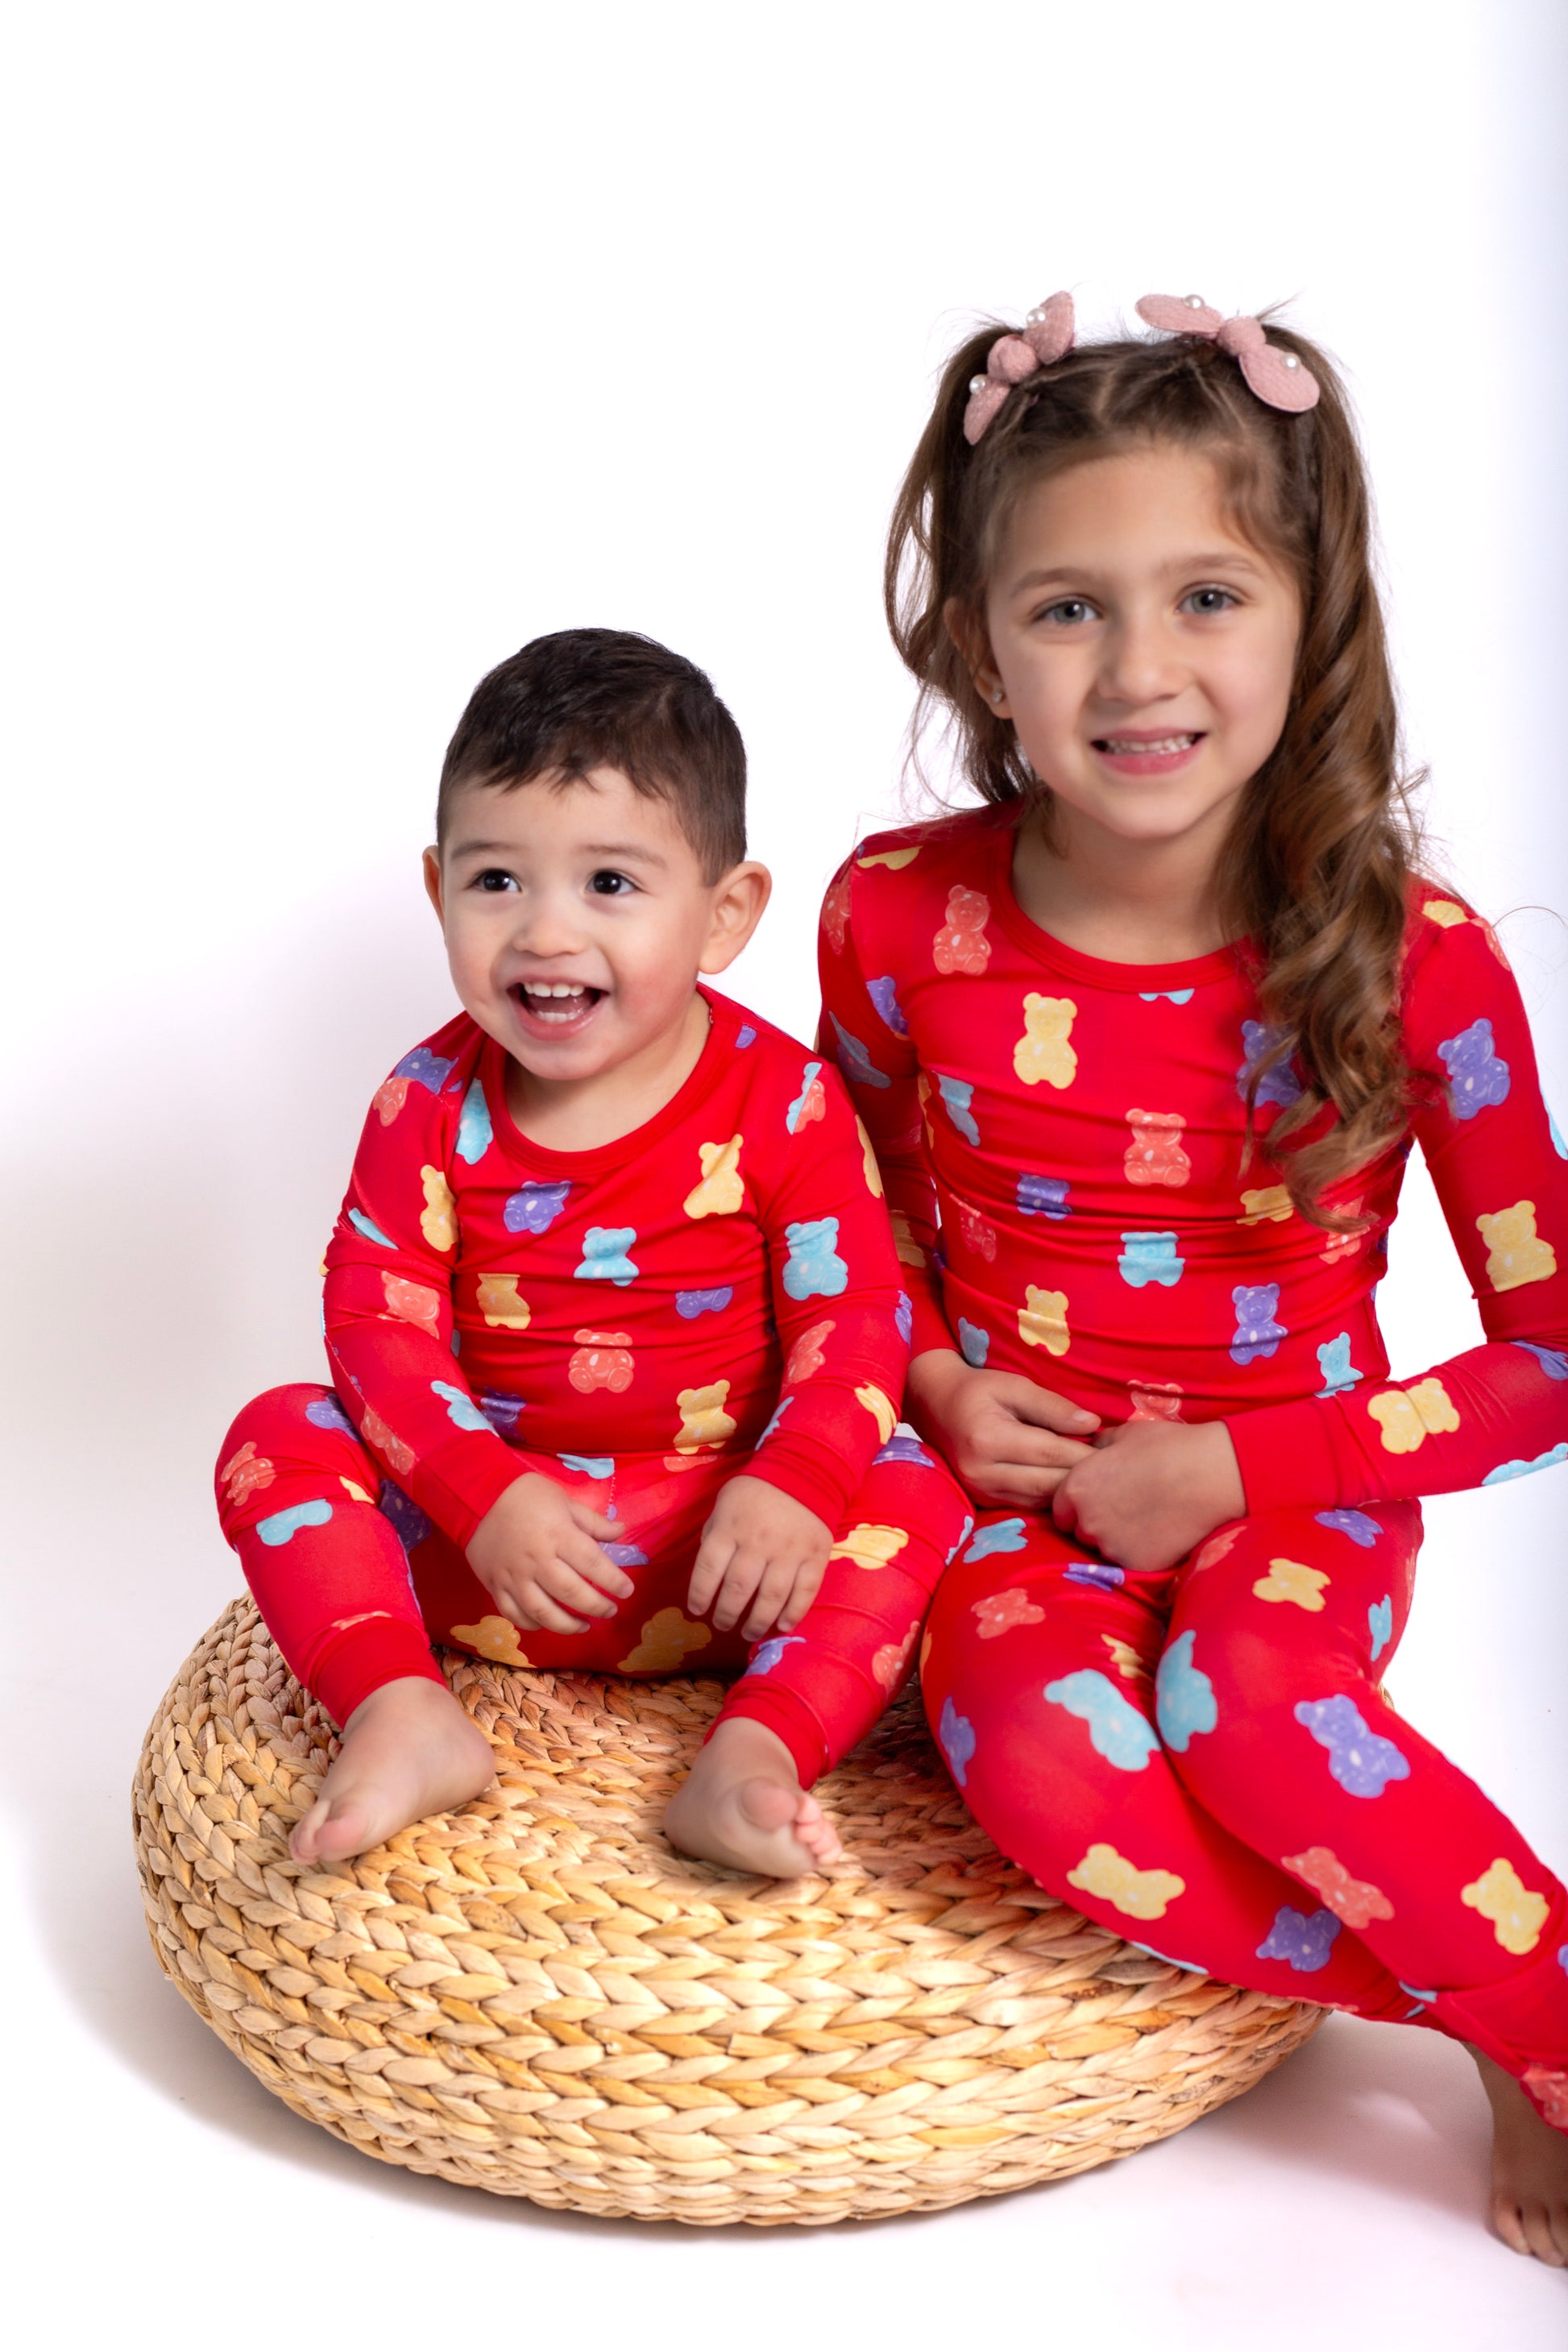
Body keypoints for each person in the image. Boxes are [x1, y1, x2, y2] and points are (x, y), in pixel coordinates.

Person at [818, 290, 1568, 2263]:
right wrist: (930, 1387)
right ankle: (1497, 2001)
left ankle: (1542, 2012)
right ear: (980, 640)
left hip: (1293, 1494)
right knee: (1043, 1772)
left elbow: (1550, 1356)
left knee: (1243, 1702)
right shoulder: (895, 916)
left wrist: (1242, 1474)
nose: (1138, 668)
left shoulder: (1423, 959)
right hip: (1015, 1509)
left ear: (1311, 615)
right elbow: (845, 1233)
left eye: (1206, 597)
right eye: (1067, 607)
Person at [215, 628, 969, 1881]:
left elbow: (857, 1320)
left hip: (727, 1553)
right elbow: (376, 1327)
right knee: (275, 1431)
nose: (545, 934)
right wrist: (478, 1489)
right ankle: (398, 1704)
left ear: (724, 916)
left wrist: (793, 1486)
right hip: (495, 1556)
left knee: (918, 1482)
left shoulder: (779, 1098)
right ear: (436, 886)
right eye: (497, 880)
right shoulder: (424, 1105)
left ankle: (757, 1751)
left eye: (610, 885)